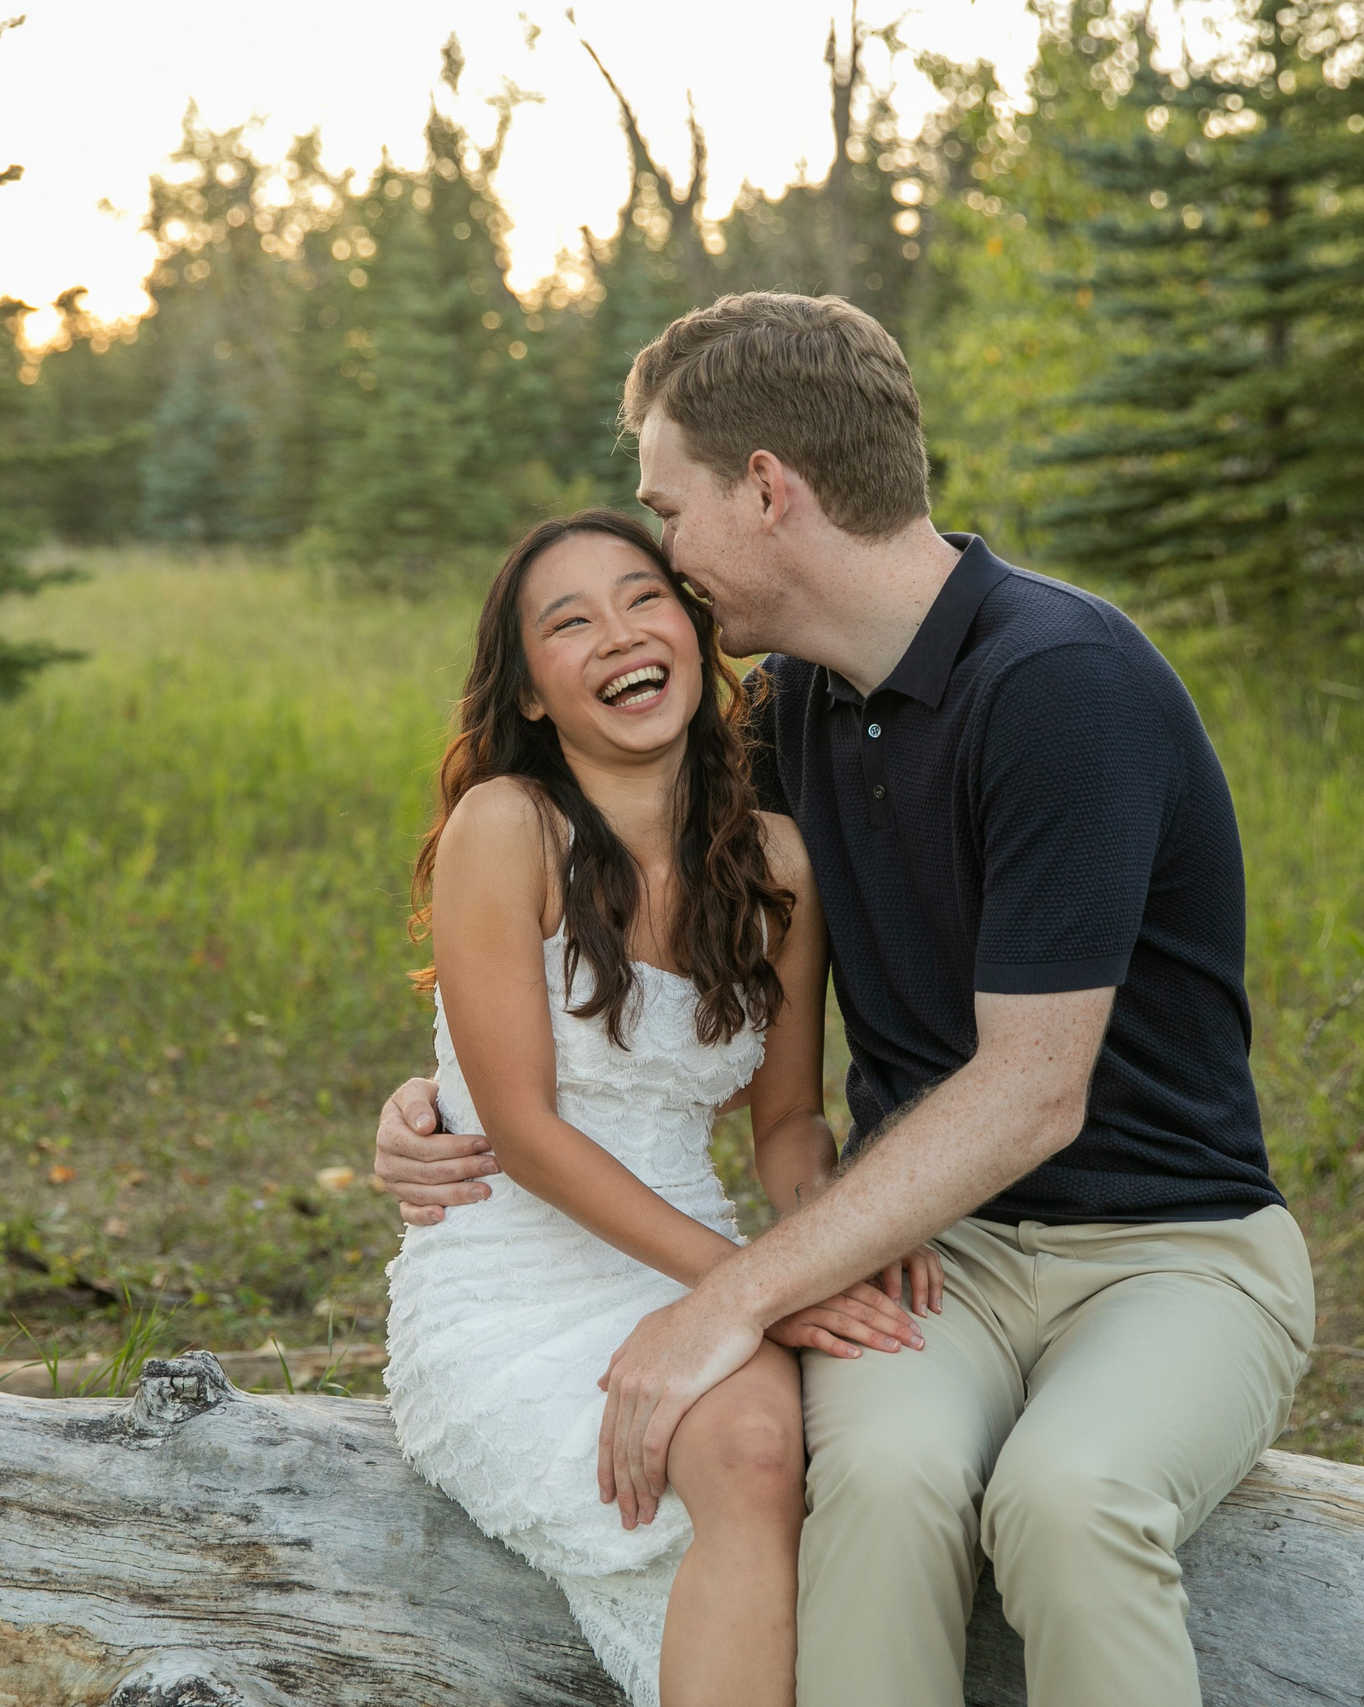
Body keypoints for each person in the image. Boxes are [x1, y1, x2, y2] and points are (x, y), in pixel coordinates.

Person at [377, 293, 1316, 1707]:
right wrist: (432, 1100)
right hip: (932, 1247)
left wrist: (739, 1293)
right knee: (871, 1478)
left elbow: (1032, 1089)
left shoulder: (1059, 684)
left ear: (766, 490)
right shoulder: (789, 711)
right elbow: (625, 925)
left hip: (1169, 1243)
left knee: (1066, 1499)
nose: (667, 562)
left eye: (668, 513)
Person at [382, 507, 944, 1707]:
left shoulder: (780, 864)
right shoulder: (506, 827)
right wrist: (758, 1290)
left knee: (770, 1451)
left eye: (643, 600)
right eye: (569, 623)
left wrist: (834, 1234)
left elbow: (785, 1124)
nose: (619, 635)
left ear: (694, 633)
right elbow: (525, 1133)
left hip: (689, 1258)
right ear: (529, 694)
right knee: (750, 1455)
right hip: (509, 1285)